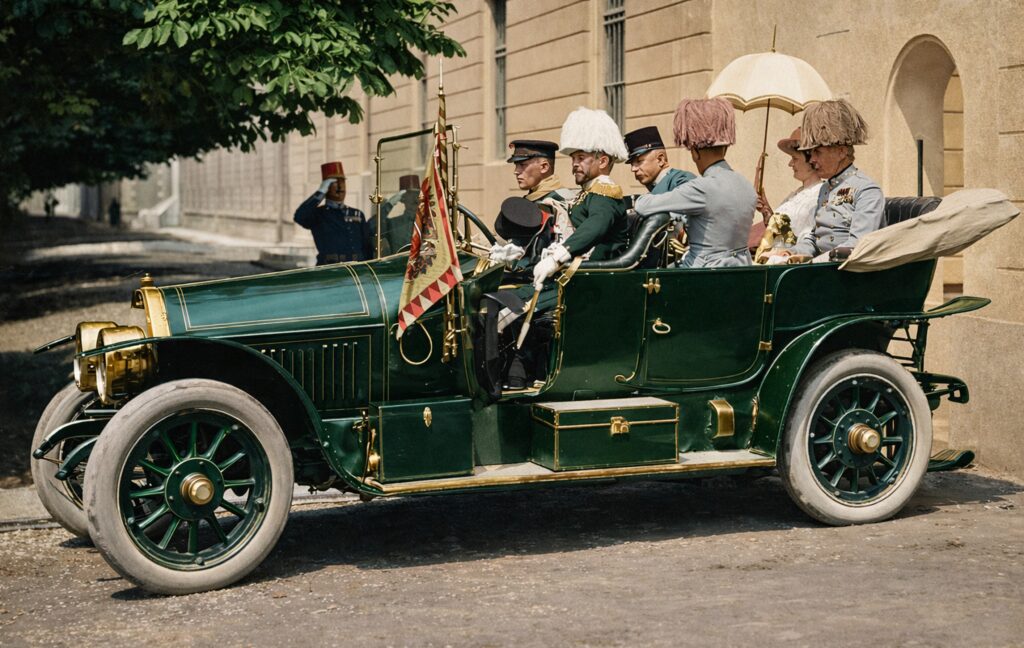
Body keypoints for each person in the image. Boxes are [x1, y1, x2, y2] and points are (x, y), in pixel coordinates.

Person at [632, 97, 756, 268]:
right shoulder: (745, 184)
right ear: (725, 147)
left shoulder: (702, 187)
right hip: (742, 269)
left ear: (696, 152)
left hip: (700, 273)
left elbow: (644, 206)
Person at [531, 107, 630, 288]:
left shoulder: (605, 193)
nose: (575, 164)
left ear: (603, 161)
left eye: (581, 157)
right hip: (578, 273)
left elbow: (595, 227)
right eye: (573, 158)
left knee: (511, 310)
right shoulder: (589, 192)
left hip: (595, 281)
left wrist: (558, 256)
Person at [778, 99, 883, 260]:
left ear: (841, 152)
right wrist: (792, 253)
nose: (812, 159)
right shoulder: (825, 189)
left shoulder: (866, 190)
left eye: (818, 152)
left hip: (847, 276)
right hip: (822, 271)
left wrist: (813, 263)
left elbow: (857, 245)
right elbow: (814, 239)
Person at [489, 139, 574, 267]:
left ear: (544, 167)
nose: (516, 171)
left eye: (522, 165)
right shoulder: (532, 199)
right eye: (516, 165)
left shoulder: (557, 203)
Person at [294, 161, 372, 265]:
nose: (340, 187)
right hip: (330, 271)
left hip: (356, 270)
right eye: (334, 183)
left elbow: (366, 246)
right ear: (326, 188)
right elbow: (299, 216)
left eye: (342, 182)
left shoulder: (357, 214)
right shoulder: (318, 215)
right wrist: (320, 192)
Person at [756, 127, 822, 239]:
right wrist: (765, 209)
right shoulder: (797, 194)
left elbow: (797, 239)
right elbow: (776, 232)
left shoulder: (818, 195)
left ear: (811, 161)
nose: (790, 164)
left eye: (795, 158)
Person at [624, 126, 695, 194]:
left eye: (639, 161)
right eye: (632, 164)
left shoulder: (683, 182)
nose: (633, 169)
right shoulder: (657, 186)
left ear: (661, 160)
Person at [373, 174, 420, 255]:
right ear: (402, 198)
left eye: (417, 193)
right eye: (410, 193)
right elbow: (373, 227)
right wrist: (389, 205)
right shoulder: (393, 223)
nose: (415, 197)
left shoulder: (426, 222)